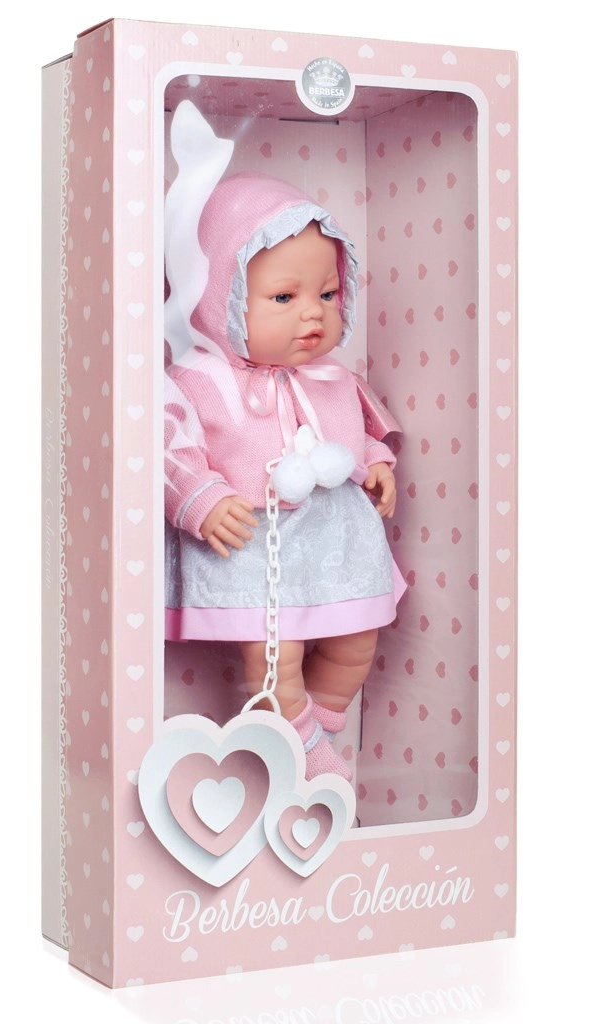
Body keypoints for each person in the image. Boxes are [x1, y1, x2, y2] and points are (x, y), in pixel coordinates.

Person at [164, 170, 405, 780]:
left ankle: (305, 733)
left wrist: (375, 463)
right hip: (253, 540)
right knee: (276, 656)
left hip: (334, 538)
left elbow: (350, 430)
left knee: (357, 640)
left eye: (327, 294)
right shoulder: (200, 378)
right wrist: (201, 497)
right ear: (219, 296)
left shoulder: (331, 376)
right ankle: (301, 751)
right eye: (283, 298)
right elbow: (168, 446)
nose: (313, 314)